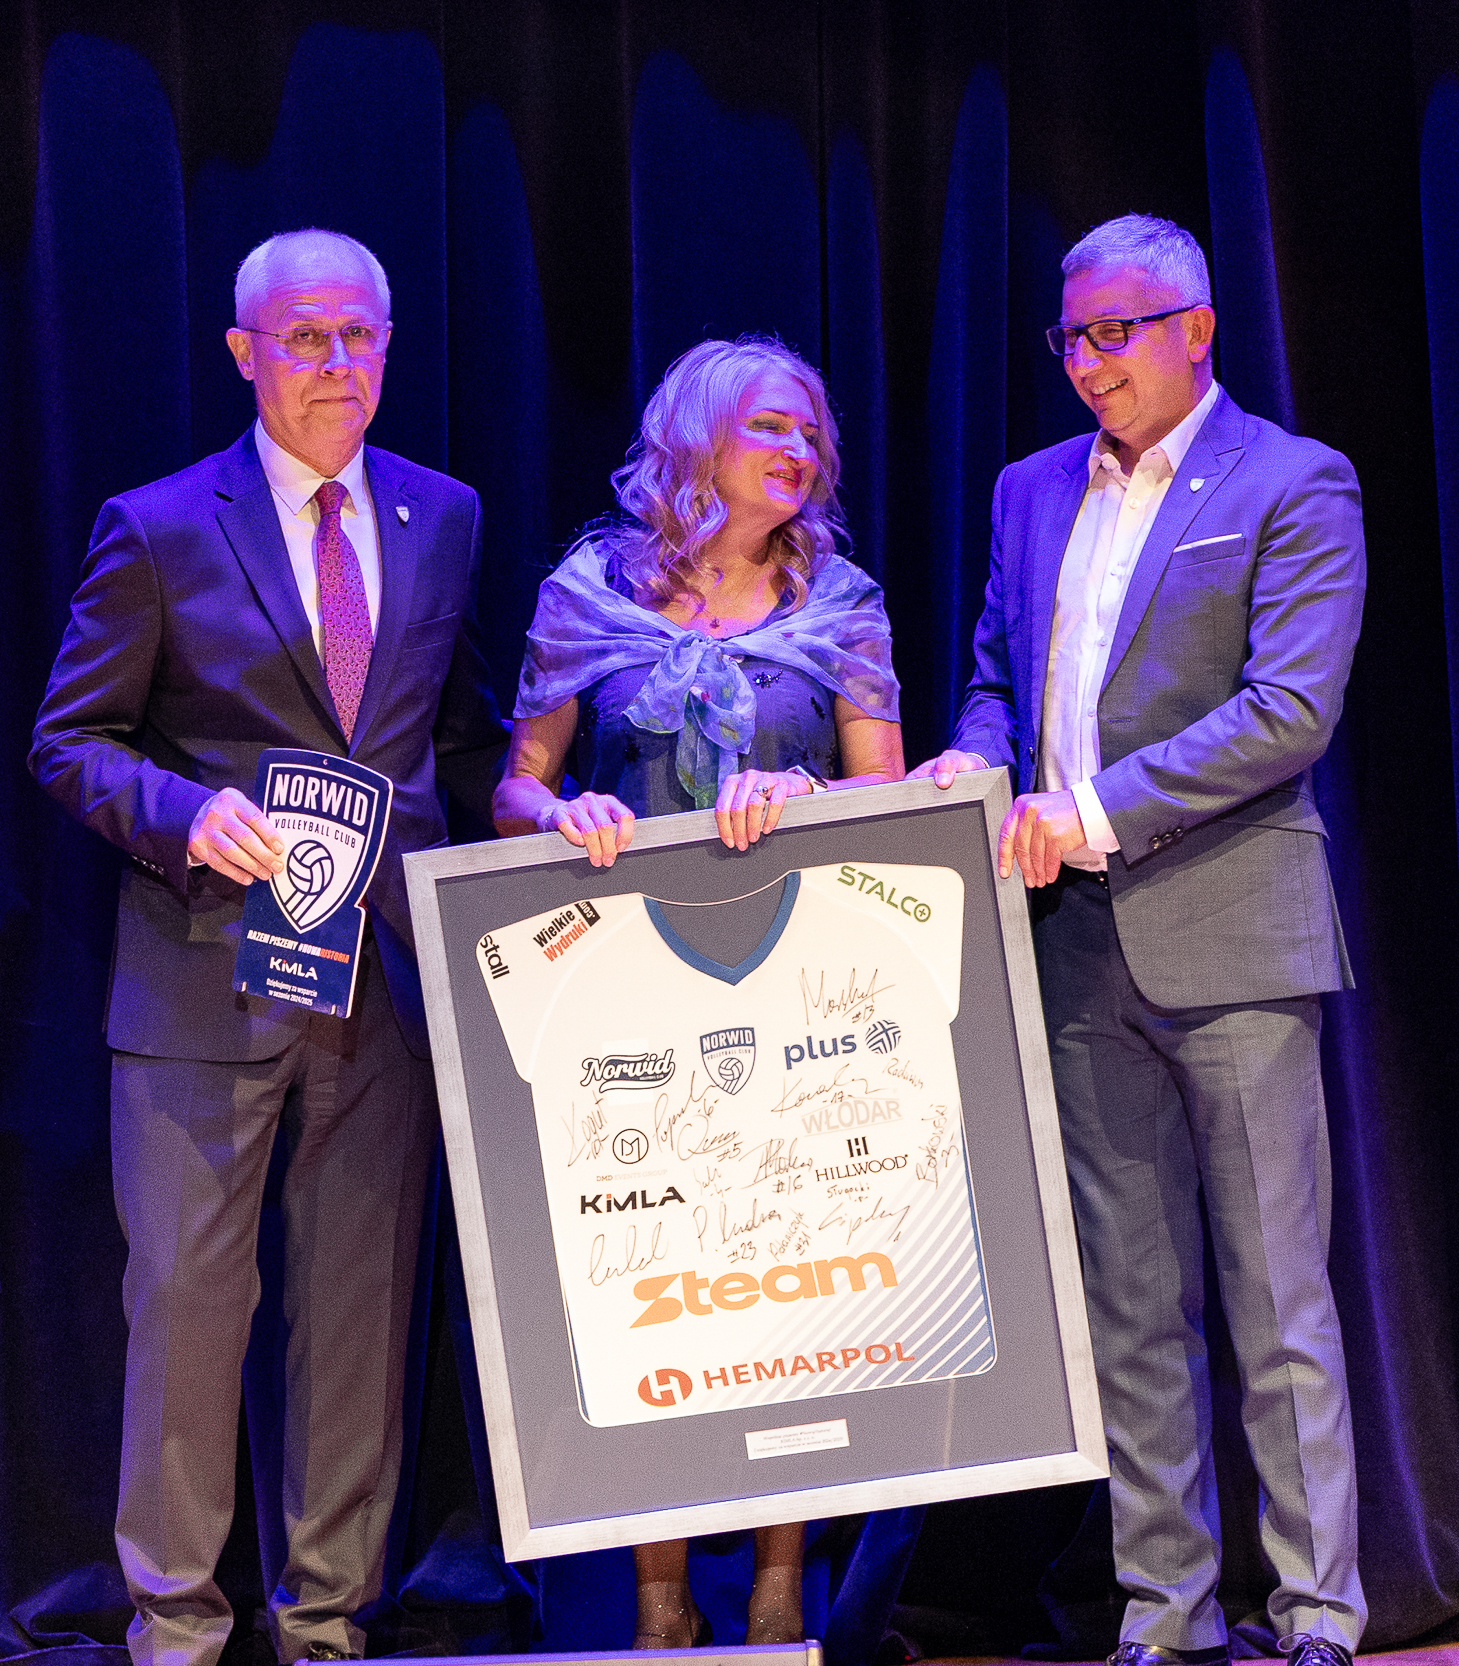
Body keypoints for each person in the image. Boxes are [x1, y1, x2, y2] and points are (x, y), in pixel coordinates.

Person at [29, 228, 505, 1666]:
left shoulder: (442, 515)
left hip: (381, 983)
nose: (337, 363)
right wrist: (189, 814)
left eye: (360, 336)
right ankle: (175, 1622)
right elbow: (71, 739)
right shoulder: (161, 527)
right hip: (205, 979)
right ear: (245, 354)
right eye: (305, 337)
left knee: (357, 1316)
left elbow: (458, 736)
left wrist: (557, 805)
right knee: (188, 1310)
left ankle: (328, 1618)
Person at [915, 214, 1368, 1666]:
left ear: (1197, 328)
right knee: (1127, 1308)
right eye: (1072, 337)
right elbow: (998, 674)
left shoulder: (1294, 481)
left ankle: (1316, 1614)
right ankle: (1166, 1618)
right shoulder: (1029, 488)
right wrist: (976, 760)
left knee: (1276, 1299)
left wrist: (1093, 809)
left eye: (1116, 332)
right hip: (1072, 946)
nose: (1088, 362)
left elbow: (1288, 711)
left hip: (1231, 934)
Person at [492, 335, 905, 1646]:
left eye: (811, 434)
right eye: (772, 427)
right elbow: (515, 787)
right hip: (629, 992)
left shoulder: (842, 600)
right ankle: (660, 1602)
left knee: (789, 1281)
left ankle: (782, 1588)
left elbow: (887, 790)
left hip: (798, 989)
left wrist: (808, 789)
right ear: (697, 440)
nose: (800, 451)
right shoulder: (588, 593)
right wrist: (563, 813)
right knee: (649, 1286)